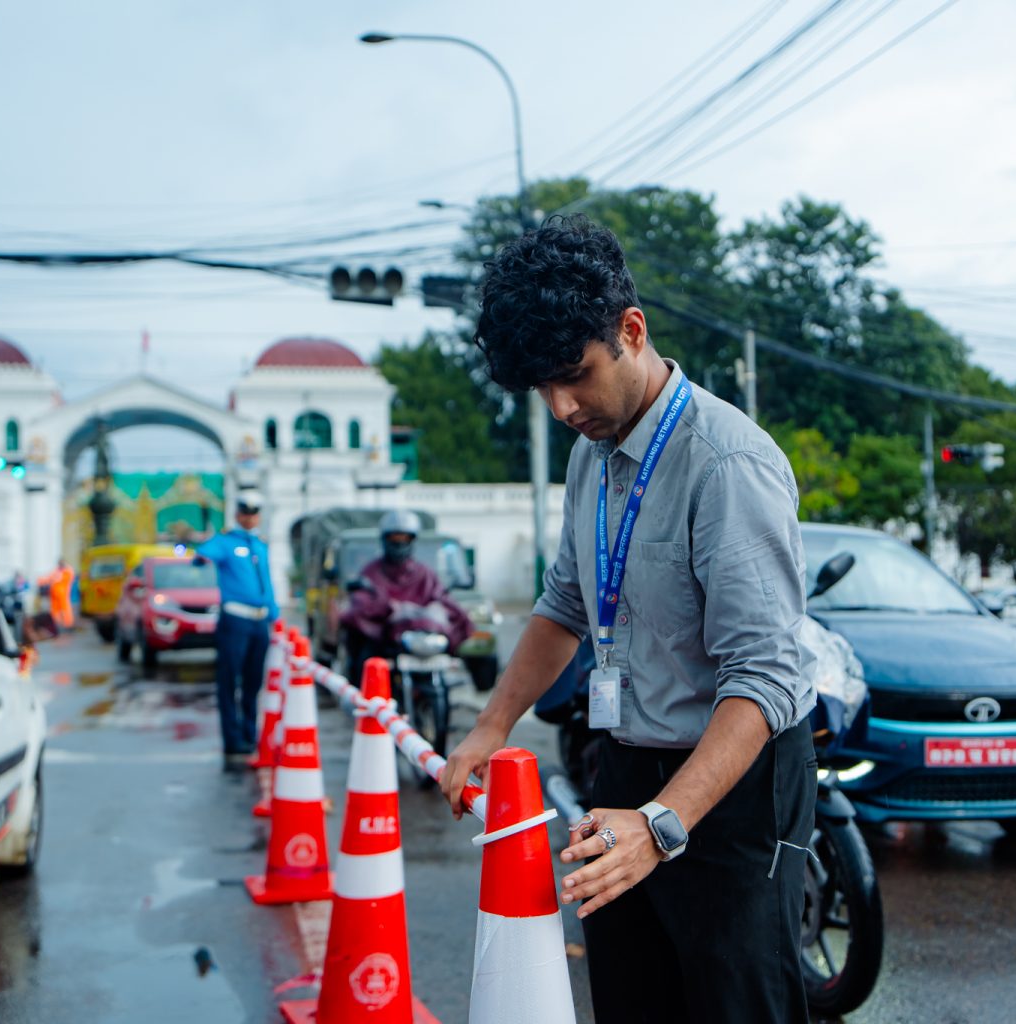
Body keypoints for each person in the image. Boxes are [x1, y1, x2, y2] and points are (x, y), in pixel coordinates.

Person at [441, 216, 817, 1023]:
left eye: (574, 376)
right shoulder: (592, 454)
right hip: (624, 766)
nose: (562, 407)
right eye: (542, 389)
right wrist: (491, 726)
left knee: (735, 1003)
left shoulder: (727, 462)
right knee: (630, 996)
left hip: (735, 785)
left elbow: (765, 676)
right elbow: (565, 605)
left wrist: (663, 823)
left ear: (632, 331)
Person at [338, 509, 473, 684]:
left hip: (422, 642)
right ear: (385, 540)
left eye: (404, 539)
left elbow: (441, 598)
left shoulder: (424, 573)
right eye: (394, 539)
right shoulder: (372, 573)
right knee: (364, 659)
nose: (399, 544)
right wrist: (386, 610)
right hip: (385, 644)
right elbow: (360, 606)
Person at [196, 491, 279, 770]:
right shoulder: (225, 542)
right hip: (235, 619)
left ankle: (249, 734)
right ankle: (232, 739)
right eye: (245, 512)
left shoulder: (260, 544)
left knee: (254, 682)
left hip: (259, 621)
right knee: (230, 680)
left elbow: (266, 581)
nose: (250, 518)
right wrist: (201, 550)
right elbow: (203, 555)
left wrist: (275, 615)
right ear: (237, 514)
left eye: (254, 513)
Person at [37, 558, 76, 632]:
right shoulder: (57, 571)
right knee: (55, 610)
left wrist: (54, 578)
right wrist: (41, 581)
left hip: (62, 594)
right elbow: (48, 578)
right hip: (54, 594)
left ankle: (68, 624)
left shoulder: (67, 571)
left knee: (65, 609)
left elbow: (63, 579)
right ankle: (57, 623)